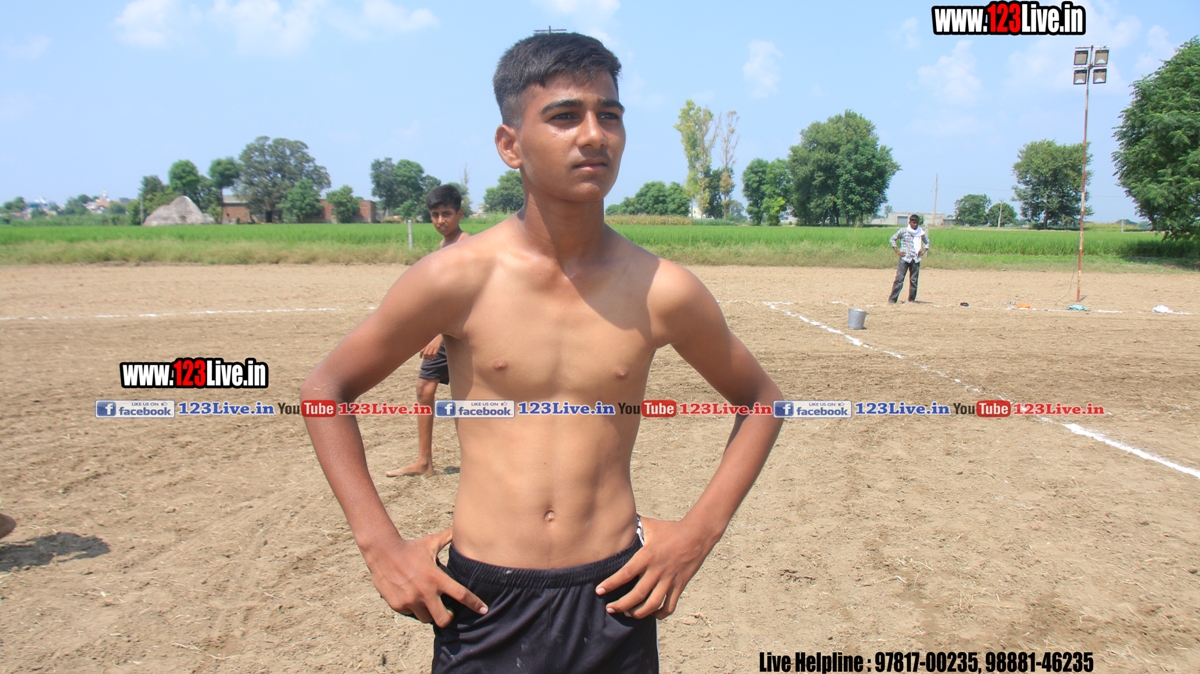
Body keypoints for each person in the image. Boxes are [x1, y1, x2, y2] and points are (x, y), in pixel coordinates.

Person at [302, 32, 782, 674]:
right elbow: (325, 390)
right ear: (510, 145)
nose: (594, 134)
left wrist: (698, 534)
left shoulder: (662, 289)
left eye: (609, 115)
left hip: (614, 598)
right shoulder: (456, 279)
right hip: (486, 601)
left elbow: (762, 400)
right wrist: (380, 546)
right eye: (564, 116)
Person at [386, 185, 471, 478]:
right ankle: (424, 461)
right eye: (435, 215)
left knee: (470, 400)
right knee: (425, 389)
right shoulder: (444, 245)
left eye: (446, 213)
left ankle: (480, 465)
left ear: (460, 214)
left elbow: (463, 299)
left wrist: (438, 336)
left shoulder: (466, 246)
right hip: (445, 331)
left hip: (460, 334)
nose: (440, 220)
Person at [889, 213, 931, 303]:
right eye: (913, 222)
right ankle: (892, 299)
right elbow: (892, 239)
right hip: (905, 258)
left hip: (915, 259)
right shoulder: (903, 231)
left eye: (917, 223)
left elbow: (927, 242)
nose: (915, 224)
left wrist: (923, 252)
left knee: (914, 280)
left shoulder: (921, 233)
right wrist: (897, 251)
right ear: (909, 222)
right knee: (899, 279)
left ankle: (911, 300)